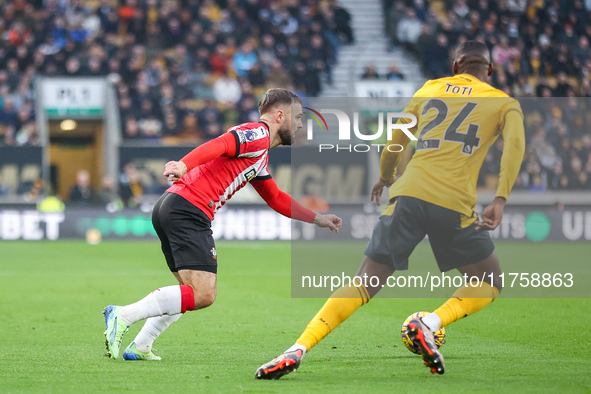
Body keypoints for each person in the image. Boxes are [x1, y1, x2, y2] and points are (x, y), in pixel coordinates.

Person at [255, 41, 526, 379]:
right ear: (489, 69)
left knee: (364, 282)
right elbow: (515, 146)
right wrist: (500, 198)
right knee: (489, 279)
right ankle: (428, 323)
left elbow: (397, 137)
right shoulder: (503, 103)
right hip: (454, 203)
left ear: (455, 65)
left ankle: (297, 348)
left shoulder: (430, 89)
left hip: (407, 193)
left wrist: (386, 177)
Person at [102, 88, 343, 361]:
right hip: (189, 208)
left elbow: (275, 197)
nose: (300, 125)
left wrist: (316, 218)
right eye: (298, 117)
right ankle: (123, 315)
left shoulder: (260, 155)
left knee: (188, 292)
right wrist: (184, 163)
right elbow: (222, 143)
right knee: (204, 294)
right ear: (280, 115)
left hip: (173, 205)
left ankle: (141, 345)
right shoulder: (258, 134)